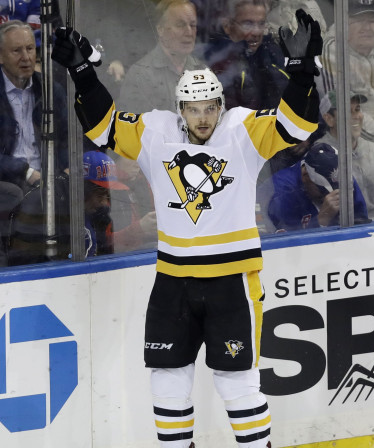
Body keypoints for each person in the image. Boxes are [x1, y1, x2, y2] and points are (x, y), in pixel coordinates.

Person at [51, 7, 321, 447]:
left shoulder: (243, 130)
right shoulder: (157, 133)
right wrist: (82, 73)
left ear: (222, 105)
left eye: (209, 108)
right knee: (167, 381)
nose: (201, 118)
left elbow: (297, 123)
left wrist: (304, 72)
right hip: (173, 281)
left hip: (231, 282)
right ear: (180, 109)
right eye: (193, 109)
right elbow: (104, 127)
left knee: (237, 385)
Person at [0, 20, 69, 265]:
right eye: (16, 51)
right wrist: (26, 171)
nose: (26, 57)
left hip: (47, 180)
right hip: (9, 181)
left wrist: (67, 167)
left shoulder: (51, 90)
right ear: (0, 56)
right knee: (14, 194)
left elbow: (67, 140)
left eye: (30, 49)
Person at [319, 0, 374, 142]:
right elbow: (338, 110)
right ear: (343, 20)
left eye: (372, 21)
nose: (367, 28)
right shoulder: (332, 52)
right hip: (357, 144)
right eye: (358, 20)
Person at [317, 90, 374, 221]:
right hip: (340, 235)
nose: (356, 116)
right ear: (329, 119)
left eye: (357, 109)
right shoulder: (318, 155)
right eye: (347, 111)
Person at [118, 0, 206, 112]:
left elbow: (220, 119)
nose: (189, 32)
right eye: (180, 25)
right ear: (160, 30)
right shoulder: (140, 76)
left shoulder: (203, 70)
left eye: (193, 25)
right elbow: (134, 127)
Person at [204, 0, 287, 110]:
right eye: (248, 24)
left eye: (261, 23)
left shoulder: (272, 55)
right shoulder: (217, 62)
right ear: (227, 26)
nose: (256, 32)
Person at [268, 142, 369, 231]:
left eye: (337, 188)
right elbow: (286, 243)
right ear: (305, 177)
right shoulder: (282, 189)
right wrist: (321, 220)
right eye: (323, 192)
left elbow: (361, 220)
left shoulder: (342, 177)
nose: (330, 196)